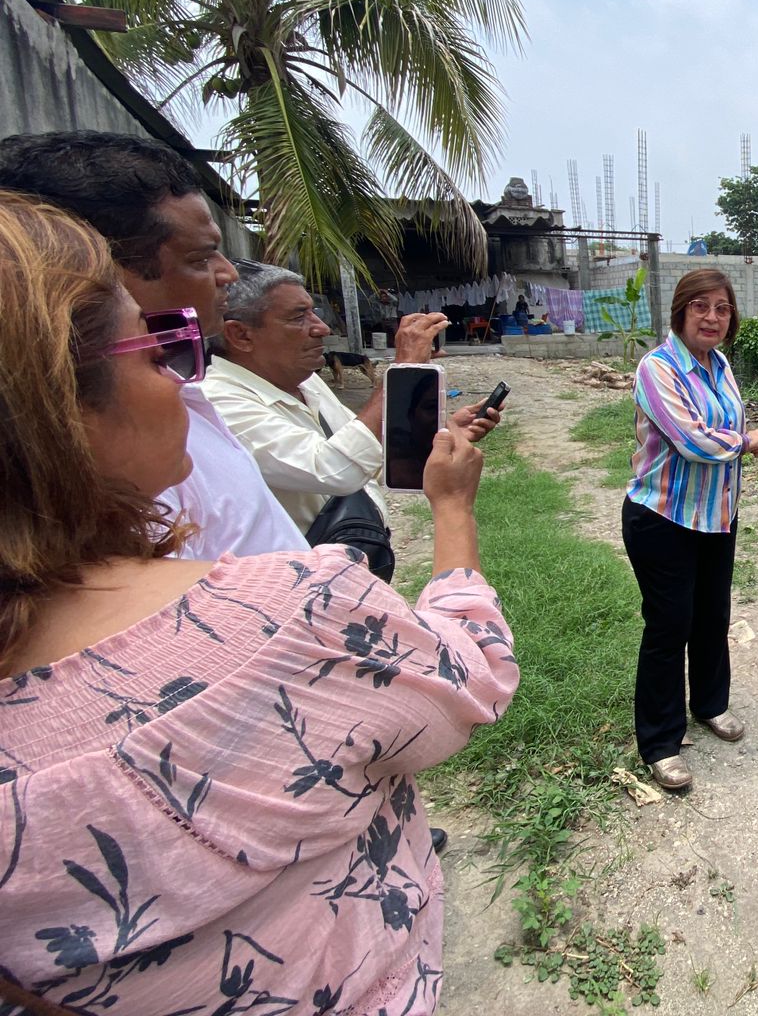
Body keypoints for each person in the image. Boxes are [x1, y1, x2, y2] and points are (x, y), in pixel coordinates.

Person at [0, 191, 520, 1013]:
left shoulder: (296, 396)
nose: (184, 385)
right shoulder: (292, 610)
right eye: (158, 351)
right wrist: (453, 509)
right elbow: (474, 672)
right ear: (56, 409)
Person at [0, 130, 307, 559]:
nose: (228, 274)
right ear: (87, 274)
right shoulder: (128, 458)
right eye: (199, 259)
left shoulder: (171, 399)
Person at [203, 265, 500, 536]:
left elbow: (363, 450)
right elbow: (334, 469)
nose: (322, 328)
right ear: (240, 335)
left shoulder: (305, 381)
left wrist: (440, 432)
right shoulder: (216, 403)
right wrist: (402, 373)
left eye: (313, 312)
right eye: (298, 317)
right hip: (298, 583)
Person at [622, 269, 758, 791]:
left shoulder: (720, 363)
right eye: (701, 306)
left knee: (712, 615)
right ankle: (661, 743)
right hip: (663, 517)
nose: (712, 317)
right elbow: (693, 440)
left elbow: (716, 426)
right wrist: (746, 442)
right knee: (669, 625)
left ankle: (710, 704)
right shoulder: (657, 368)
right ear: (680, 311)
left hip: (716, 516)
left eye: (722, 309)